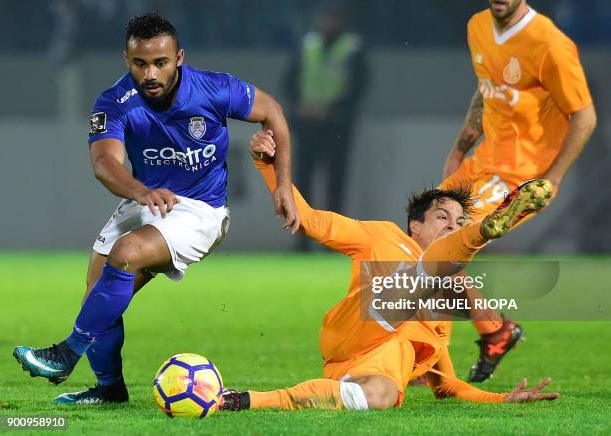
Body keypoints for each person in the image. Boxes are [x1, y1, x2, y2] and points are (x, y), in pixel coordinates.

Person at [13, 12, 299, 405]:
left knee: (125, 254)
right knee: (97, 296)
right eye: (140, 63)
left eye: (160, 63)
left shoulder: (214, 89)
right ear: (126, 60)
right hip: (146, 198)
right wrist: (141, 190)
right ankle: (110, 389)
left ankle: (66, 353)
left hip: (201, 210)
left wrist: (283, 184)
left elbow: (273, 112)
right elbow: (104, 164)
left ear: (178, 58)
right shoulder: (114, 102)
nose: (150, 73)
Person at [220, 130, 558, 411]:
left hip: (368, 369)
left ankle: (239, 400)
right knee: (422, 279)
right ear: (415, 225)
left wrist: (502, 398)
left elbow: (446, 386)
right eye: (442, 218)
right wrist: (268, 164)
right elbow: (308, 219)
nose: (451, 226)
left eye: (459, 223)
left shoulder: (442, 311)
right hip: (355, 328)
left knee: (378, 397)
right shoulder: (379, 235)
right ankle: (483, 231)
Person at [438, 0, 597, 382]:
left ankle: (424, 357)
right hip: (482, 161)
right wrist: (460, 149)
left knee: (440, 251)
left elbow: (585, 116)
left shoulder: (549, 44)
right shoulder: (477, 26)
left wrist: (552, 179)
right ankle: (494, 331)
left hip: (519, 178)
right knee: (418, 242)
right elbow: (486, 90)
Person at [284, 4, 368, 249]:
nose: (329, 23)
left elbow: (359, 86)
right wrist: (299, 105)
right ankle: (302, 240)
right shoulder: (307, 44)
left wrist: (332, 109)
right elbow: (290, 80)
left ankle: (332, 240)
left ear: (341, 21)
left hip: (337, 125)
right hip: (307, 124)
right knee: (303, 184)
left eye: (333, 18)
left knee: (335, 184)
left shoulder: (353, 46)